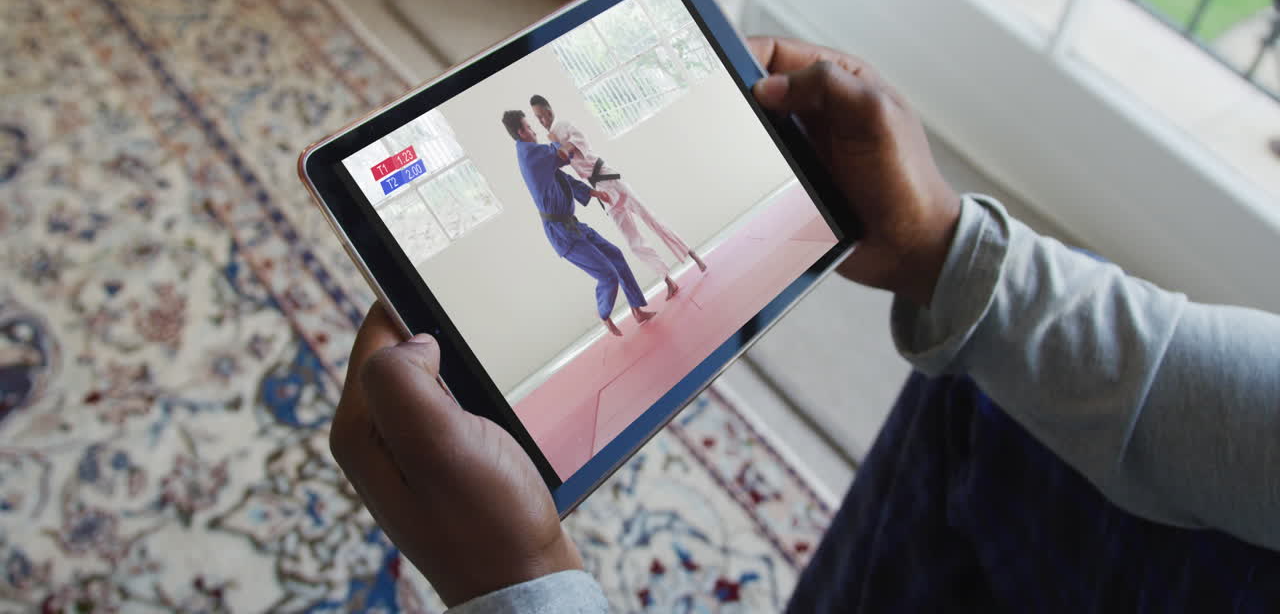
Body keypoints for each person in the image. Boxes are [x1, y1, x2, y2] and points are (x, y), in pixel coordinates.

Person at [332, 36, 1280, 612]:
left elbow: (581, 174)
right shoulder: (539, 160)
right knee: (968, 402)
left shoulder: (555, 147)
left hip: (594, 207)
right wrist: (944, 251)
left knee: (631, 262)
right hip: (578, 220)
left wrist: (522, 583)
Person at [530, 94, 707, 300]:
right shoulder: (553, 139)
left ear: (549, 111)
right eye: (537, 119)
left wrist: (554, 143)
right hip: (601, 190)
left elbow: (567, 151)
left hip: (609, 178)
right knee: (632, 240)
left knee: (651, 219)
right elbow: (558, 160)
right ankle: (668, 280)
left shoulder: (566, 127)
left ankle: (693, 255)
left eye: (541, 116)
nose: (541, 122)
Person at [502, 108, 654, 337]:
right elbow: (562, 155)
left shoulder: (537, 157)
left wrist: (594, 193)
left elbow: (563, 178)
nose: (535, 130)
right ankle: (603, 314)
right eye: (530, 126)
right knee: (608, 275)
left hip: (573, 224)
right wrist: (559, 140)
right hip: (562, 233)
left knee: (616, 256)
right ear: (521, 132)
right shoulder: (530, 155)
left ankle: (637, 310)